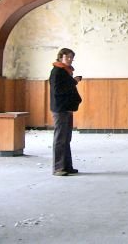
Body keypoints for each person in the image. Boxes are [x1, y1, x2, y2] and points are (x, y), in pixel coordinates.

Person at [49, 48, 83, 176]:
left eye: (71, 57)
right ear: (60, 57)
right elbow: (58, 90)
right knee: (60, 139)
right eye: (67, 57)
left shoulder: (65, 71)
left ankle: (67, 166)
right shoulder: (57, 71)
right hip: (61, 109)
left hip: (66, 108)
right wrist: (73, 82)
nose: (69, 59)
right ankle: (58, 168)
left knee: (66, 139)